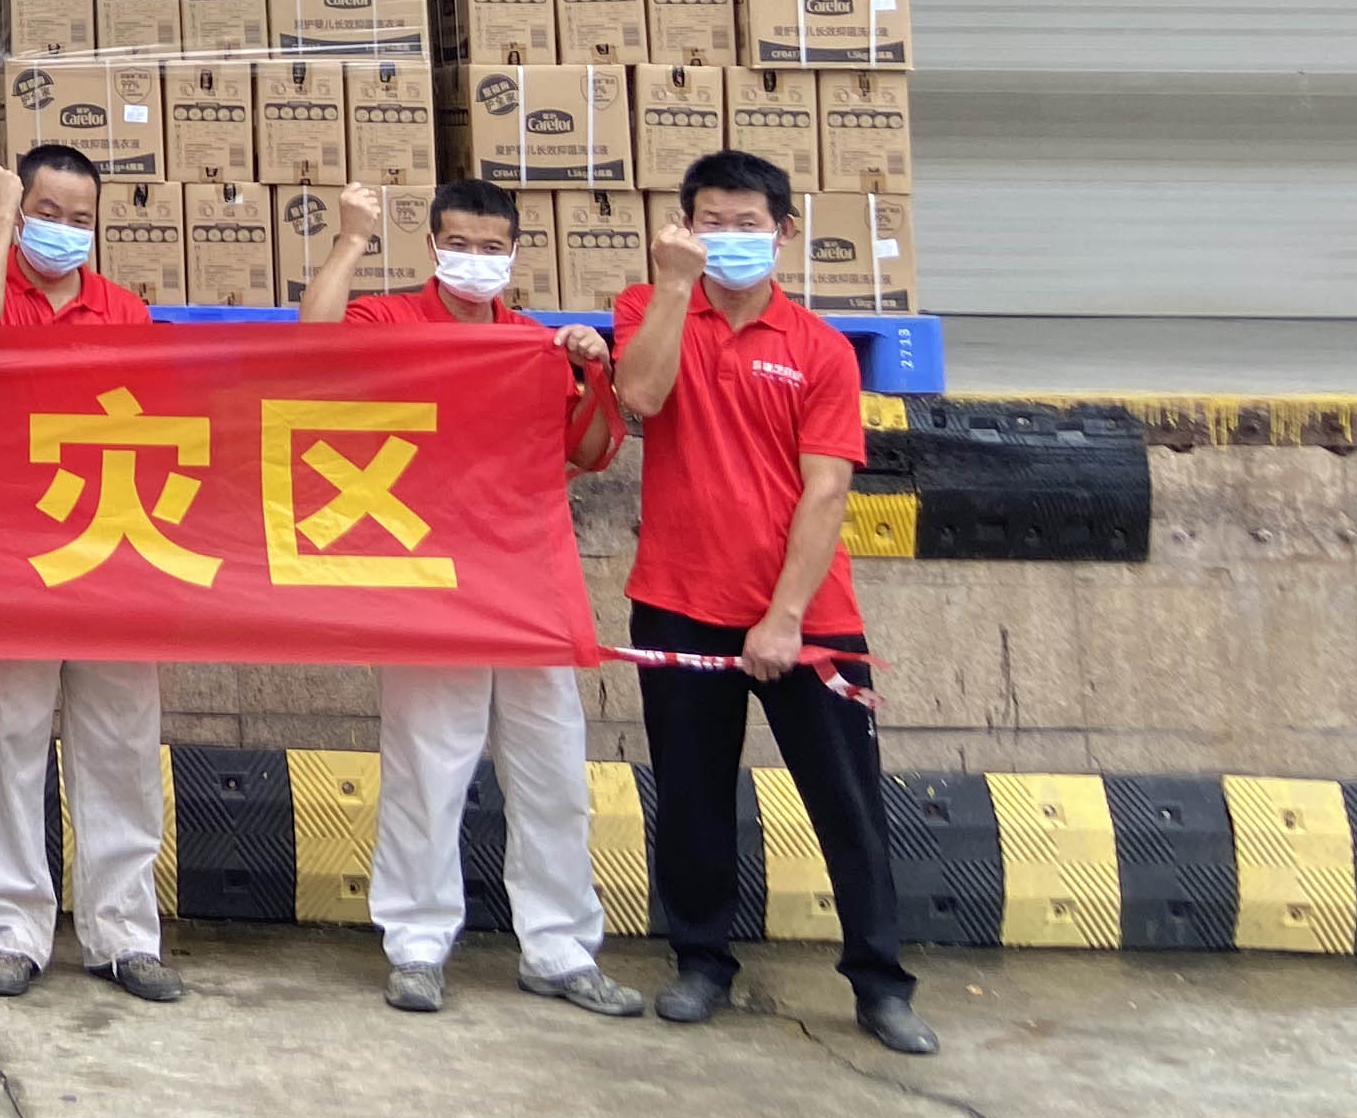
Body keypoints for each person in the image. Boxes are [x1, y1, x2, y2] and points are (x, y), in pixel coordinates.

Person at [613, 150, 935, 1057]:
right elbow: (639, 396)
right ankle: (701, 961)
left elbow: (826, 489)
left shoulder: (819, 348)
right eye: (709, 222)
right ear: (683, 228)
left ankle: (879, 981)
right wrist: (675, 286)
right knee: (692, 795)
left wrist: (785, 616)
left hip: (808, 618)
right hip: (678, 601)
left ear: (784, 232)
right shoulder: (648, 308)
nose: (728, 238)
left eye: (746, 223)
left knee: (848, 803)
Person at [303, 177, 641, 1020]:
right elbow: (312, 347)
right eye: (459, 244)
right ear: (432, 246)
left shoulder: (534, 343)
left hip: (527, 581)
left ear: (516, 254)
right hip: (429, 583)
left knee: (553, 773)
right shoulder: (389, 322)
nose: (475, 259)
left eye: (492, 248)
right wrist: (351, 238)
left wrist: (594, 370)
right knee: (426, 770)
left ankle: (560, 949)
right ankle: (417, 947)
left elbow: (590, 452)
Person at [0, 147, 177, 1004]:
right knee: (7, 744)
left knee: (121, 749)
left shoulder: (125, 309)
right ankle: (13, 930)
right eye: (47, 212)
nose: (65, 231)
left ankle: (124, 935)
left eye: (82, 219)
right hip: (10, 552)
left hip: (113, 551)